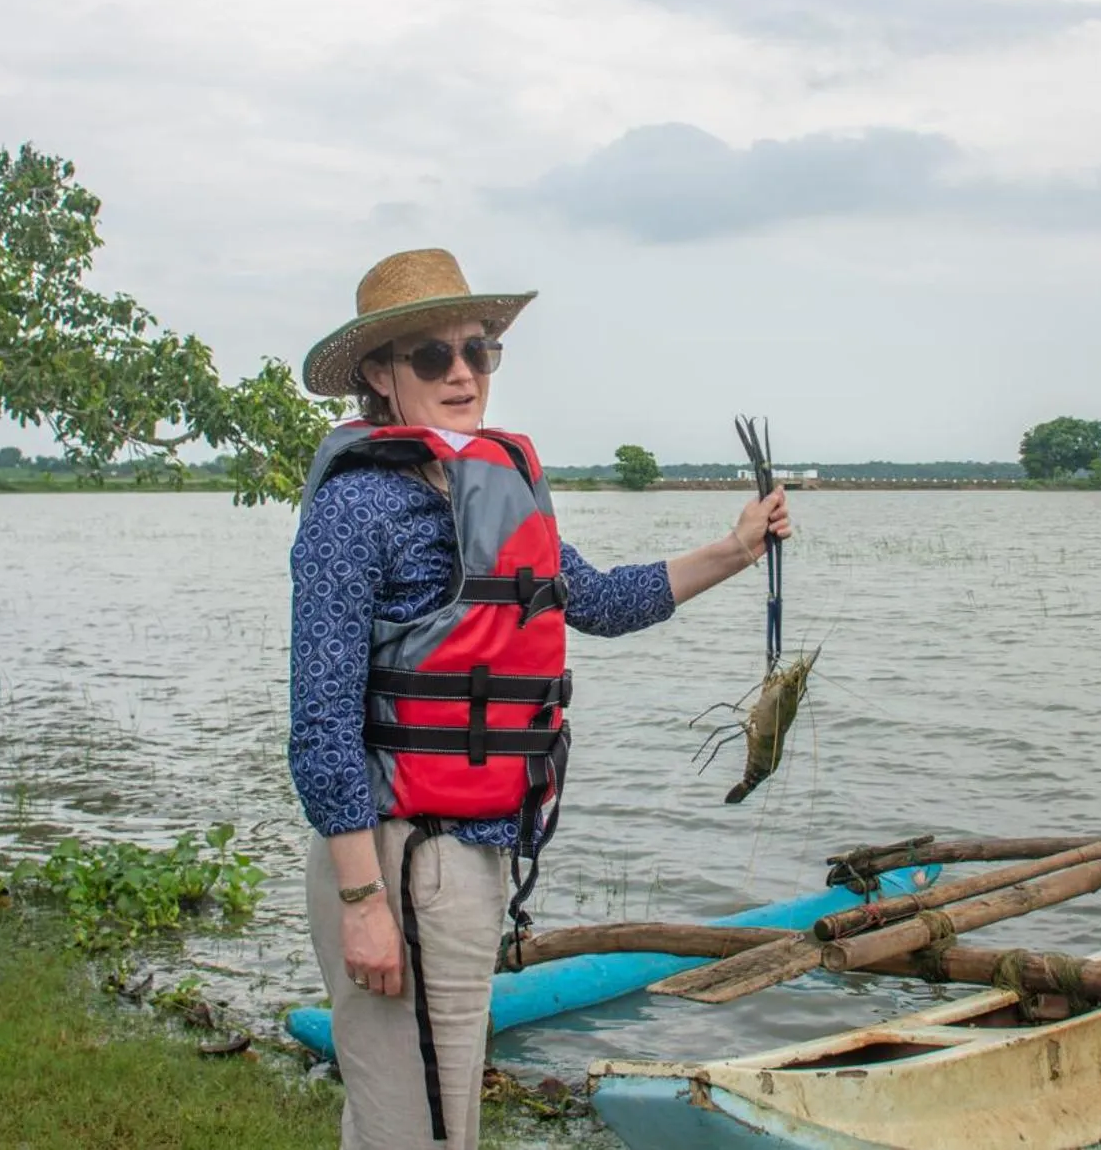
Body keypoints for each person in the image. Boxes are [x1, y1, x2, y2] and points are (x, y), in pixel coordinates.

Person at [289, 248, 791, 1149]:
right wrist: (362, 899)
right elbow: (321, 721)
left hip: (472, 858)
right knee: (415, 1129)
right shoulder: (355, 508)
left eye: (476, 350)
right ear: (379, 373)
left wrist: (736, 548)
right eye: (433, 355)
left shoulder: (501, 484)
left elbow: (597, 600)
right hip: (396, 857)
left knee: (426, 1121)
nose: (462, 373)